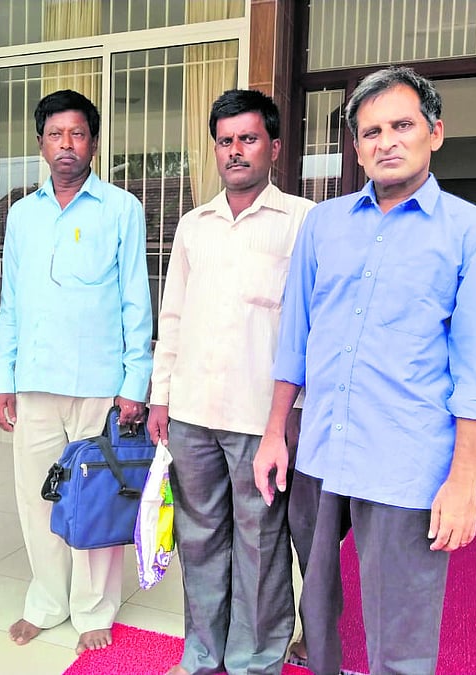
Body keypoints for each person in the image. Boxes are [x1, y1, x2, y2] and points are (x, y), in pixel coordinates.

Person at [253, 66, 476, 675]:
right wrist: (273, 434)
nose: (386, 142)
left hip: (405, 460)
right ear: (356, 147)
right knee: (317, 608)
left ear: (435, 133)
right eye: (371, 132)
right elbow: (296, 339)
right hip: (321, 450)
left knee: (402, 629)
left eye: (402, 126)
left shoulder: (475, 233)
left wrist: (463, 482)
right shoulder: (324, 224)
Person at [147, 89, 315, 675]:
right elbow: (172, 315)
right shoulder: (194, 226)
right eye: (225, 141)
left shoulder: (303, 222)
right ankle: (202, 653)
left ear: (274, 146)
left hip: (260, 418)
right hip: (192, 412)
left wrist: (292, 415)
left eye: (248, 138)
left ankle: (255, 660)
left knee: (260, 542)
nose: (236, 150)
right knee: (197, 538)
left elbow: (310, 324)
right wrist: (160, 397)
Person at [0, 89, 153, 656]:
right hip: (35, 382)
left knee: (96, 495)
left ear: (94, 143)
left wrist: (135, 385)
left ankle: (93, 607)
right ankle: (46, 601)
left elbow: (136, 300)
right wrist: (3, 377)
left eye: (78, 134)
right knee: (38, 499)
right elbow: (11, 301)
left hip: (98, 384)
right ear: (40, 143)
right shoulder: (23, 214)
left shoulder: (121, 208)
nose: (67, 144)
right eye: (56, 134)